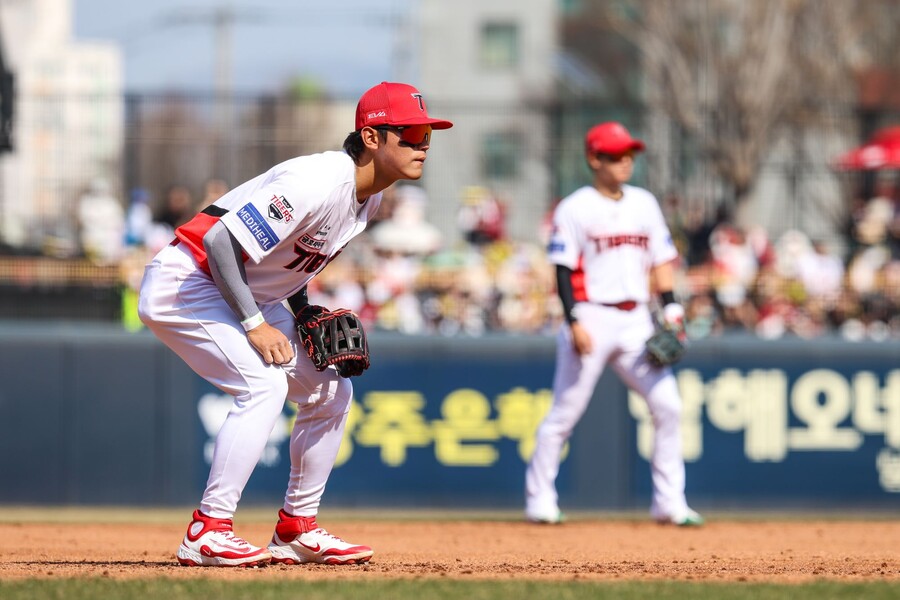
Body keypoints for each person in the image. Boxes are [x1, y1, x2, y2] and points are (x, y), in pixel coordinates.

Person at [138, 81, 452, 567]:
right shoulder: (318, 180)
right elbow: (222, 243)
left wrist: (301, 310)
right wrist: (253, 323)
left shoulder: (368, 197)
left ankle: (297, 529)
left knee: (330, 391)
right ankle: (208, 530)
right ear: (372, 138)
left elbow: (292, 262)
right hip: (188, 280)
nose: (422, 145)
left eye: (427, 135)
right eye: (410, 134)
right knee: (263, 385)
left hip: (245, 292)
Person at [525, 121, 703, 527]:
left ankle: (670, 503)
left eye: (629, 154)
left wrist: (672, 310)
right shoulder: (575, 207)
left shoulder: (644, 203)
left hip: (638, 319)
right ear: (594, 159)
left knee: (669, 407)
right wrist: (573, 321)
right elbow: (563, 269)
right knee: (565, 413)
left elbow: (661, 261)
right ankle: (539, 500)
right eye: (616, 155)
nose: (625, 161)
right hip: (591, 314)